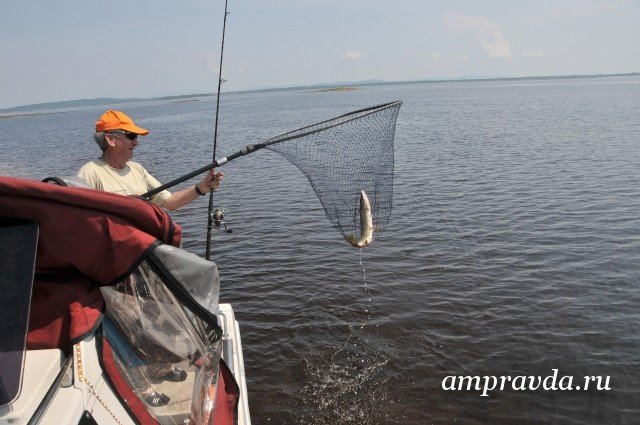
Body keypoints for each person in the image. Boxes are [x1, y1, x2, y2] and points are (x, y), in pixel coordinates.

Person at [77, 109, 223, 210]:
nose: (136, 142)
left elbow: (170, 202)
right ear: (111, 139)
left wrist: (202, 187)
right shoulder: (89, 173)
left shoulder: (137, 169)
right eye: (131, 136)